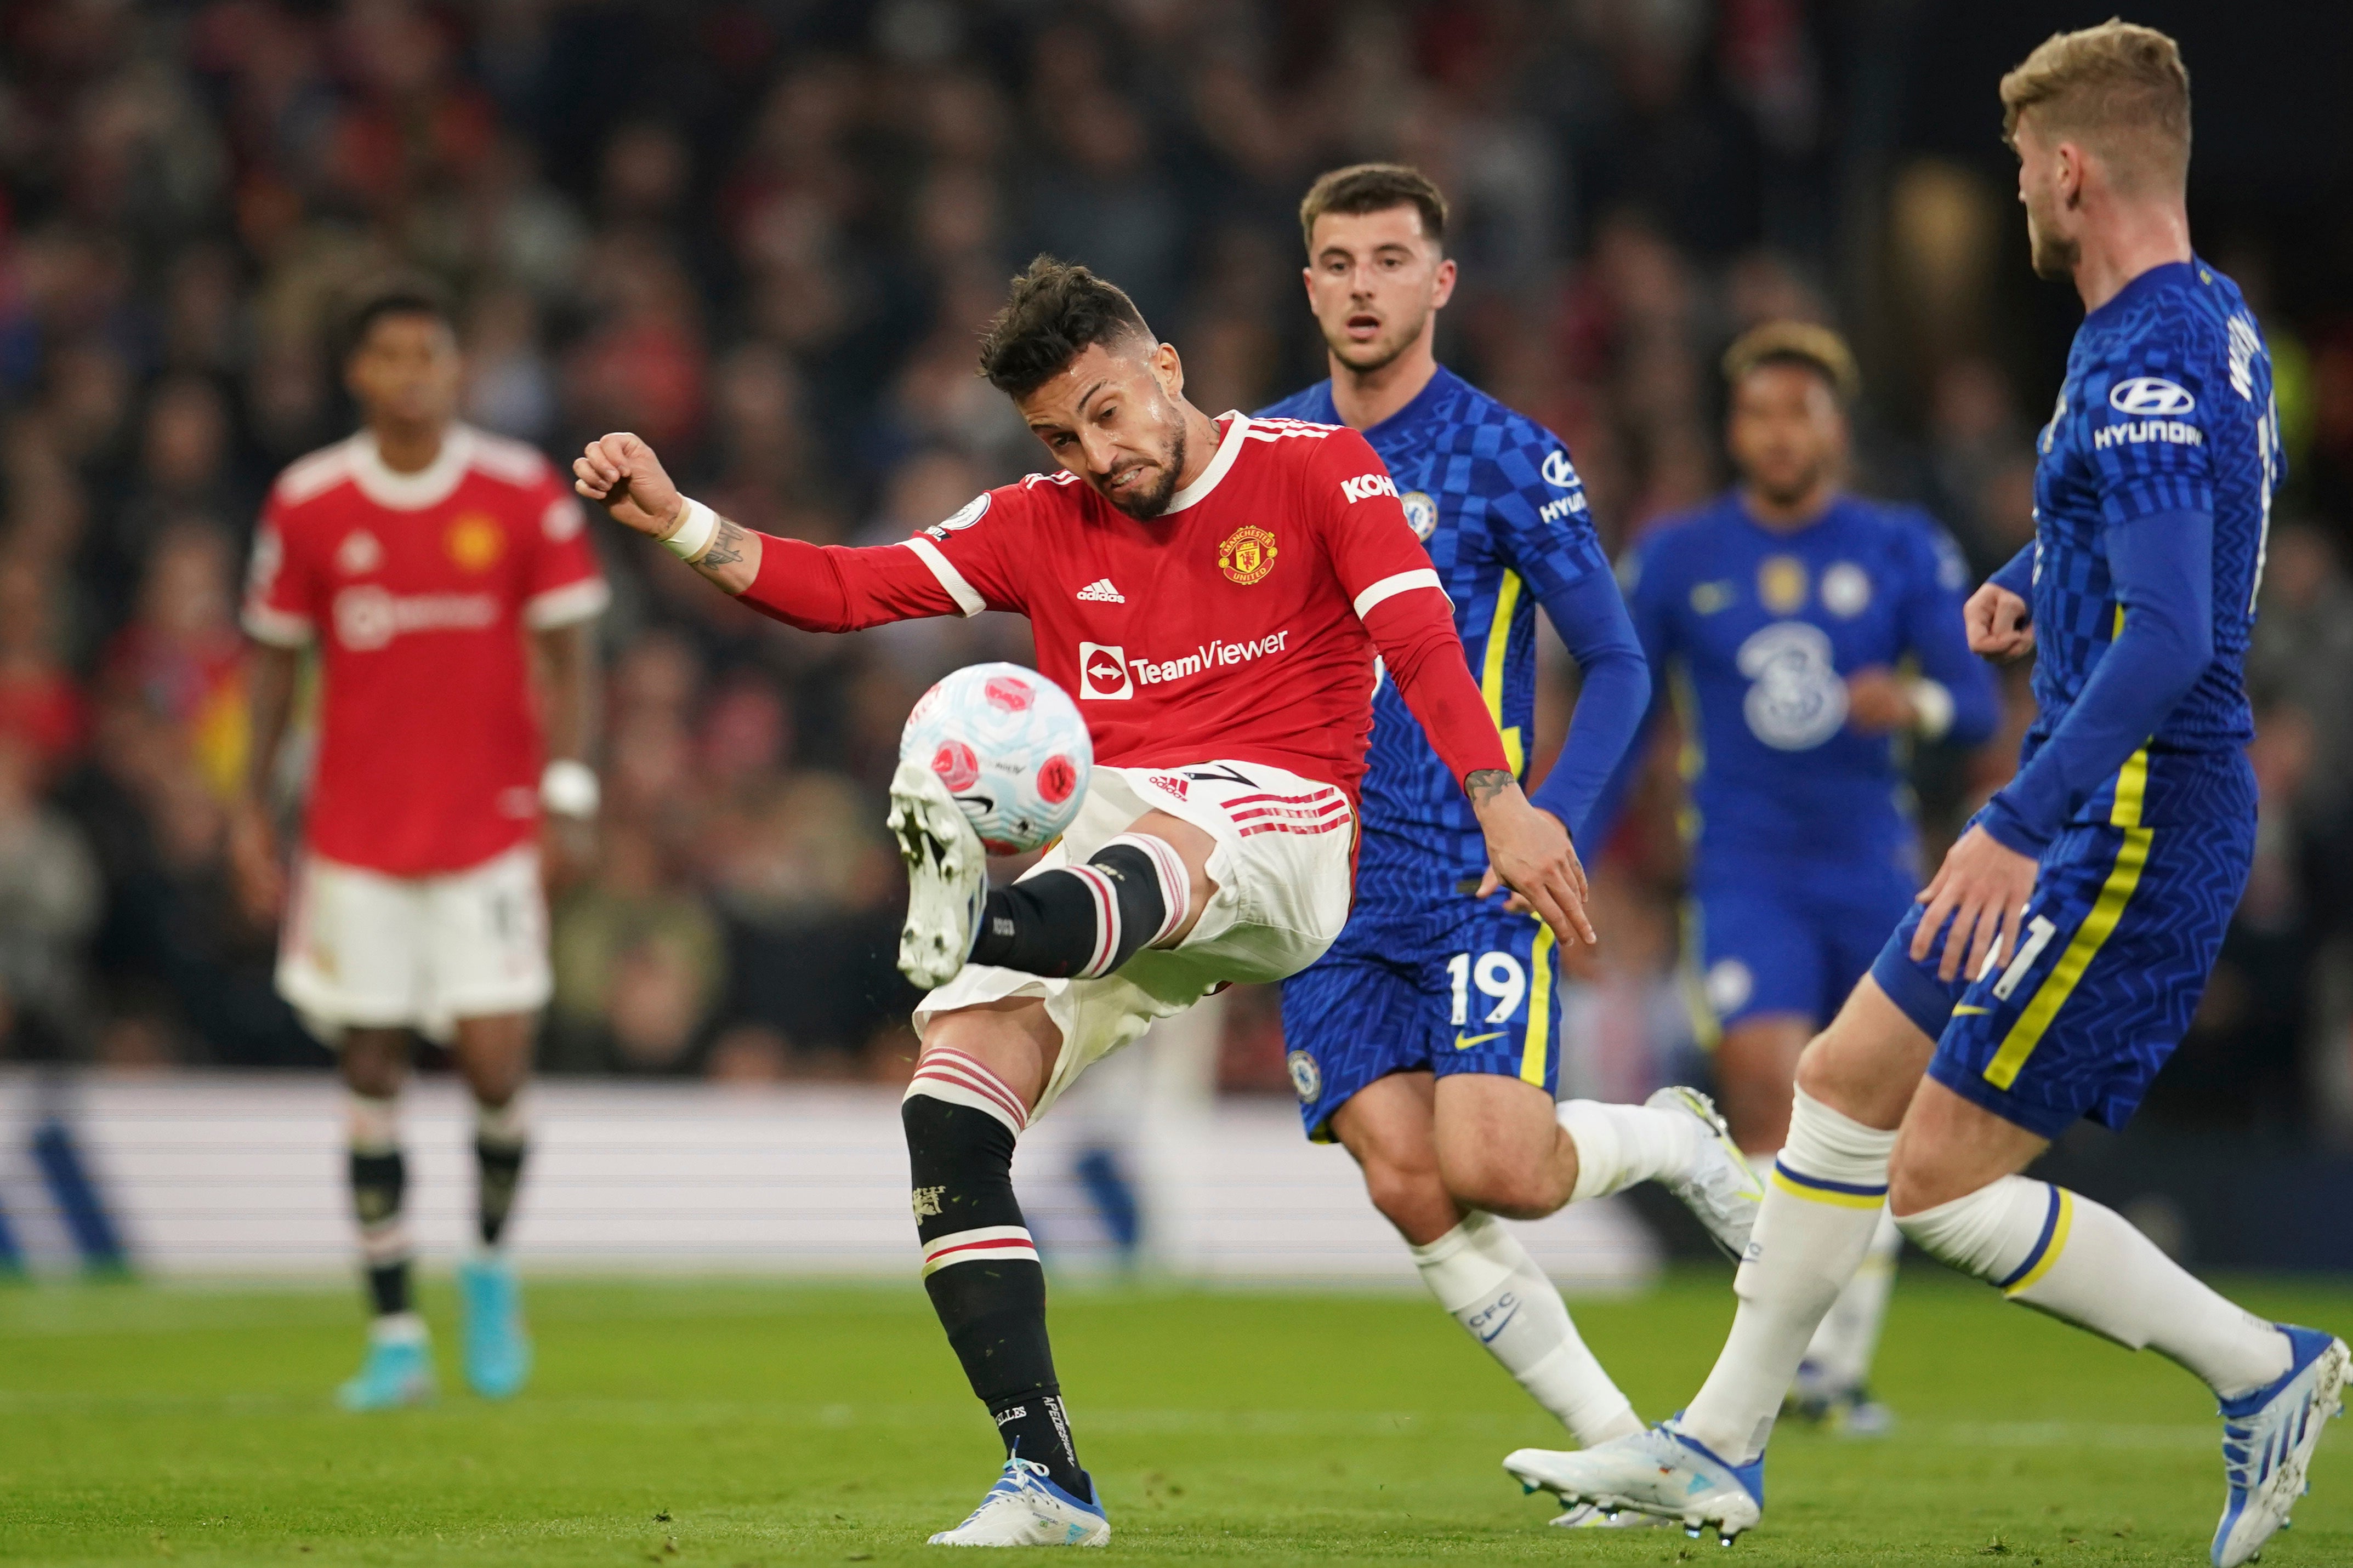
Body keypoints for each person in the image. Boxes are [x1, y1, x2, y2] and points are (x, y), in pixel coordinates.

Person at [579, 255, 1730, 1548]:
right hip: (1118, 839)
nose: (1094, 455)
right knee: (951, 1110)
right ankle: (1046, 1478)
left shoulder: (1316, 468)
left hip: (1285, 822)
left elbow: (1416, 634)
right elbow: (846, 590)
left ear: (1166, 368)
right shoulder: (1038, 517)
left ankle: (976, 918)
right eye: (1058, 436)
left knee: (1170, 852)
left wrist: (1498, 797)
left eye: (1108, 414)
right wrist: (679, 517)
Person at [1500, 25, 2344, 1564]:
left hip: (2131, 822)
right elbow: (2180, 538)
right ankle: (1718, 1447)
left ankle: (2259, 1364)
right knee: (1835, 1077)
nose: (2015, 183)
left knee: (1936, 1180)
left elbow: (2172, 636)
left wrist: (2014, 822)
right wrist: (2036, 578)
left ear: (2070, 167)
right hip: (2096, 796)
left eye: (2024, 160)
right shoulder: (2194, 319)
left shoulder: (2146, 347)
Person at [1258, 162, 1761, 1524]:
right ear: (1308, 284)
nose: (1364, 287)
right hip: (1318, 889)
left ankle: (1673, 1142)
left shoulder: (1505, 455)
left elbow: (1615, 662)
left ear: (1441, 281)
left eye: (1389, 261)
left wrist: (1550, 817)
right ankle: (1625, 1451)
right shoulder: (1261, 459)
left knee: (1495, 1167)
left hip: (1467, 870)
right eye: (1339, 263)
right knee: (1405, 1178)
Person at [1595, 320, 2000, 1431]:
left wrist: (1908, 702)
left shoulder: (1899, 544)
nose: (1776, 433)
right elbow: (1626, 720)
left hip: (1872, 866)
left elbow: (1969, 703)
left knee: (1869, 1112)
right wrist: (1575, 851)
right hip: (1741, 870)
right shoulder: (1679, 553)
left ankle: (1835, 1365)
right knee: (1772, 1088)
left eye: (1799, 412)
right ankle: (1804, 1355)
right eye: (1757, 413)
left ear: (1835, 426)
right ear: (1735, 429)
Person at [234, 282, 606, 1410]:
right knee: (371, 1072)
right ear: (358, 374)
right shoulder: (307, 502)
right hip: (354, 840)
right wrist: (252, 814)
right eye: (388, 355)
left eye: (429, 354)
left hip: (488, 830)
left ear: (457, 370)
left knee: (496, 1066)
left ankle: (488, 1266)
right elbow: (271, 664)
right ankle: (396, 1332)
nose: (411, 374)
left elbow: (573, 651)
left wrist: (570, 791)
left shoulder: (521, 492)